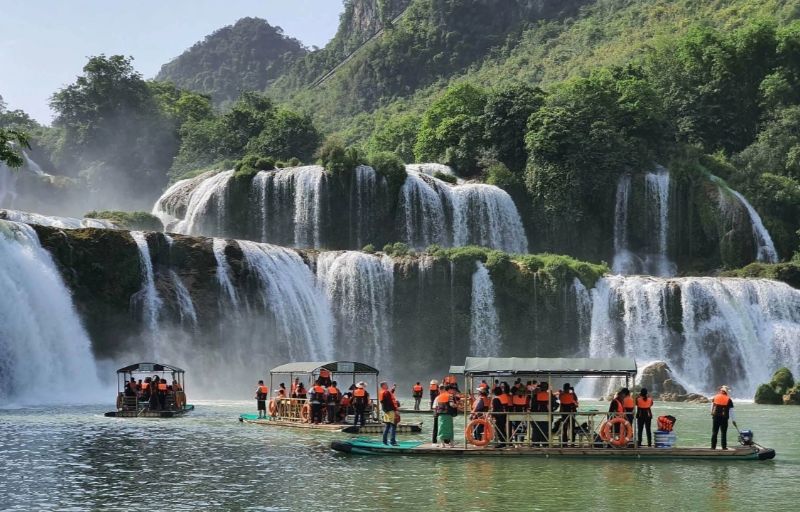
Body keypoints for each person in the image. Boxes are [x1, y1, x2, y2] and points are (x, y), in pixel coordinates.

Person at [711, 385, 737, 450]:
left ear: (721, 391)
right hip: (724, 418)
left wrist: (712, 414)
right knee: (723, 433)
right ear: (726, 392)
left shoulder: (715, 397)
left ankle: (713, 447)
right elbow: (731, 411)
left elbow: (712, 407)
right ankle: (724, 447)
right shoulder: (728, 399)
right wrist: (733, 420)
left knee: (714, 432)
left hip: (716, 417)